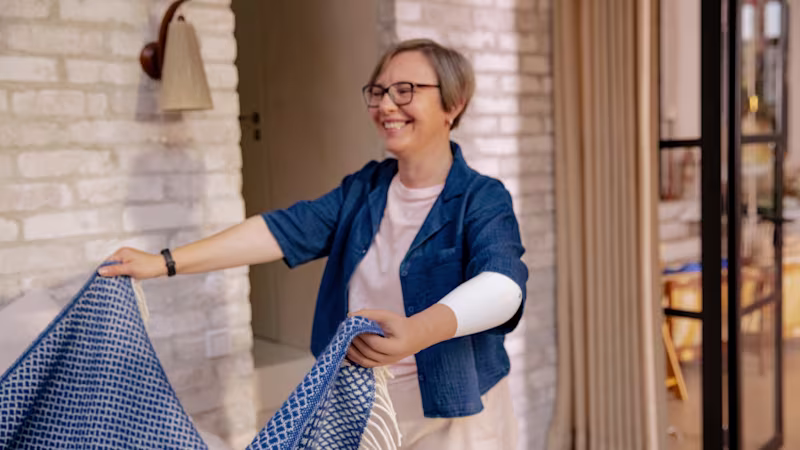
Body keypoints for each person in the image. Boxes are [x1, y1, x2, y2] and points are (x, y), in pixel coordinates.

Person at [100, 38, 528, 449]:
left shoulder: (481, 197)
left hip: (458, 410)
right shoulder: (364, 189)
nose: (385, 105)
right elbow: (279, 231)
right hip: (367, 403)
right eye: (378, 91)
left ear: (453, 105)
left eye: (405, 90)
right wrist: (162, 263)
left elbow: (503, 286)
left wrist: (418, 330)